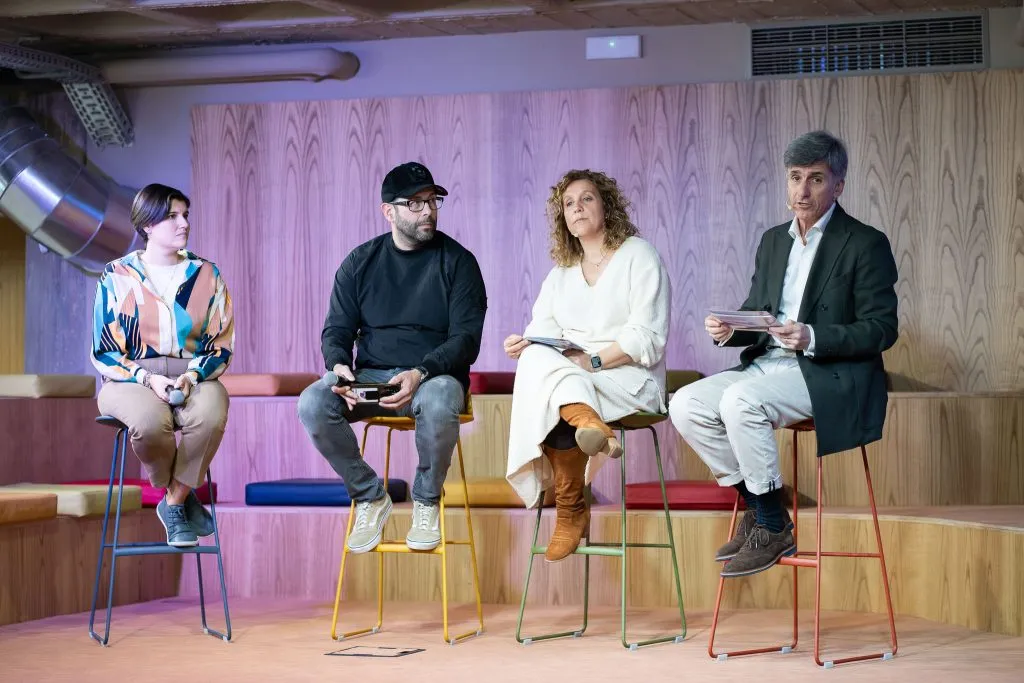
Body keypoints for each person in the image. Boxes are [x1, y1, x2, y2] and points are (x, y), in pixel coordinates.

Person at [668, 130, 899, 577]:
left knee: (740, 401)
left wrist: (812, 336)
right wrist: (731, 329)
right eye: (795, 177)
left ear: (838, 186)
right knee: (686, 403)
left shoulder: (865, 243)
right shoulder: (774, 240)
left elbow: (882, 329)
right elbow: (759, 310)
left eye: (816, 179)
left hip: (825, 372)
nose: (802, 190)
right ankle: (763, 508)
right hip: (768, 364)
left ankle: (772, 527)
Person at [298, 161, 487, 554]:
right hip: (372, 380)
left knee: (439, 399)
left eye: (432, 201)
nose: (428, 211)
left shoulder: (458, 262)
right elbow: (336, 330)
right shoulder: (360, 263)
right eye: (415, 203)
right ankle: (369, 496)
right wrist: (340, 368)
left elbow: (466, 340)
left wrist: (420, 372)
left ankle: (426, 502)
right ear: (389, 211)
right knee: (314, 401)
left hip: (433, 380)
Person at [504, 169, 671, 562]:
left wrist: (592, 361)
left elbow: (647, 336)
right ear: (563, 218)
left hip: (629, 379)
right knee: (536, 358)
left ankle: (570, 509)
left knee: (555, 391)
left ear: (606, 205)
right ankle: (587, 422)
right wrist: (523, 343)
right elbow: (542, 331)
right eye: (568, 203)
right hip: (575, 379)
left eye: (587, 199)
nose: (577, 207)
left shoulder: (639, 255)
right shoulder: (560, 273)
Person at [91, 183, 234, 548]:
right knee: (150, 423)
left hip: (194, 374)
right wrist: (146, 377)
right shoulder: (117, 275)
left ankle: (173, 501)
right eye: (172, 216)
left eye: (185, 215)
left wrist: (191, 376)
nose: (184, 223)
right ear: (147, 225)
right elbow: (105, 351)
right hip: (128, 378)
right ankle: (183, 500)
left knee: (212, 413)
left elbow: (219, 345)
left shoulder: (207, 274)